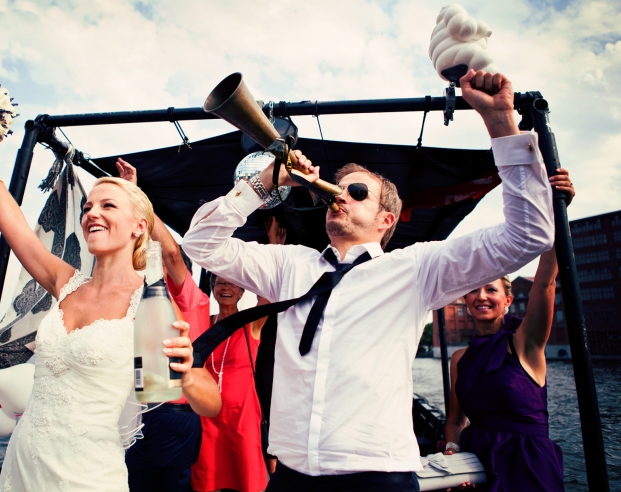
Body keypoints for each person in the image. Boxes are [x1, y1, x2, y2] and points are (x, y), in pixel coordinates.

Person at [181, 69, 555, 492]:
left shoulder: (415, 269)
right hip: (291, 476)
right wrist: (269, 180)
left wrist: (501, 123)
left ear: (386, 219)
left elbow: (529, 235)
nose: (340, 195)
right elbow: (200, 245)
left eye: (357, 193)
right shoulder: (290, 266)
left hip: (378, 478)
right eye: (336, 189)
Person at [0, 132, 221, 492]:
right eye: (88, 208)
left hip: (86, 474)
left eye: (107, 206)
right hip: (23, 461)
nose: (92, 214)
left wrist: (187, 376)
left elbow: (211, 403)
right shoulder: (65, 281)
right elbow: (14, 228)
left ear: (139, 227)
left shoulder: (148, 304)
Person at [443, 169, 574, 492]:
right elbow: (456, 420)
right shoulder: (460, 359)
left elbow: (545, 281)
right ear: (465, 300)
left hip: (527, 463)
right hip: (476, 464)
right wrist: (452, 455)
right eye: (474, 291)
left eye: (491, 290)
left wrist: (559, 212)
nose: (481, 296)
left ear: (507, 299)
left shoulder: (525, 344)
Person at [116, 158, 214, 492]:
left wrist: (137, 196)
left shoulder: (190, 296)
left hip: (173, 412)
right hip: (137, 410)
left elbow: (171, 253)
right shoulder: (137, 297)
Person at [191, 274, 268, 492]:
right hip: (207, 415)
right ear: (213, 289)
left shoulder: (250, 322)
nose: (226, 288)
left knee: (247, 478)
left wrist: (273, 248)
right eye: (220, 283)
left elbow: (269, 296)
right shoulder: (203, 323)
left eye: (232, 283)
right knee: (209, 478)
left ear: (242, 291)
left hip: (242, 415)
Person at [255, 215, 286, 476]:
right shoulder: (262, 315)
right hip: (267, 365)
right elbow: (269, 281)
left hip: (279, 364)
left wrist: (274, 241)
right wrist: (273, 241)